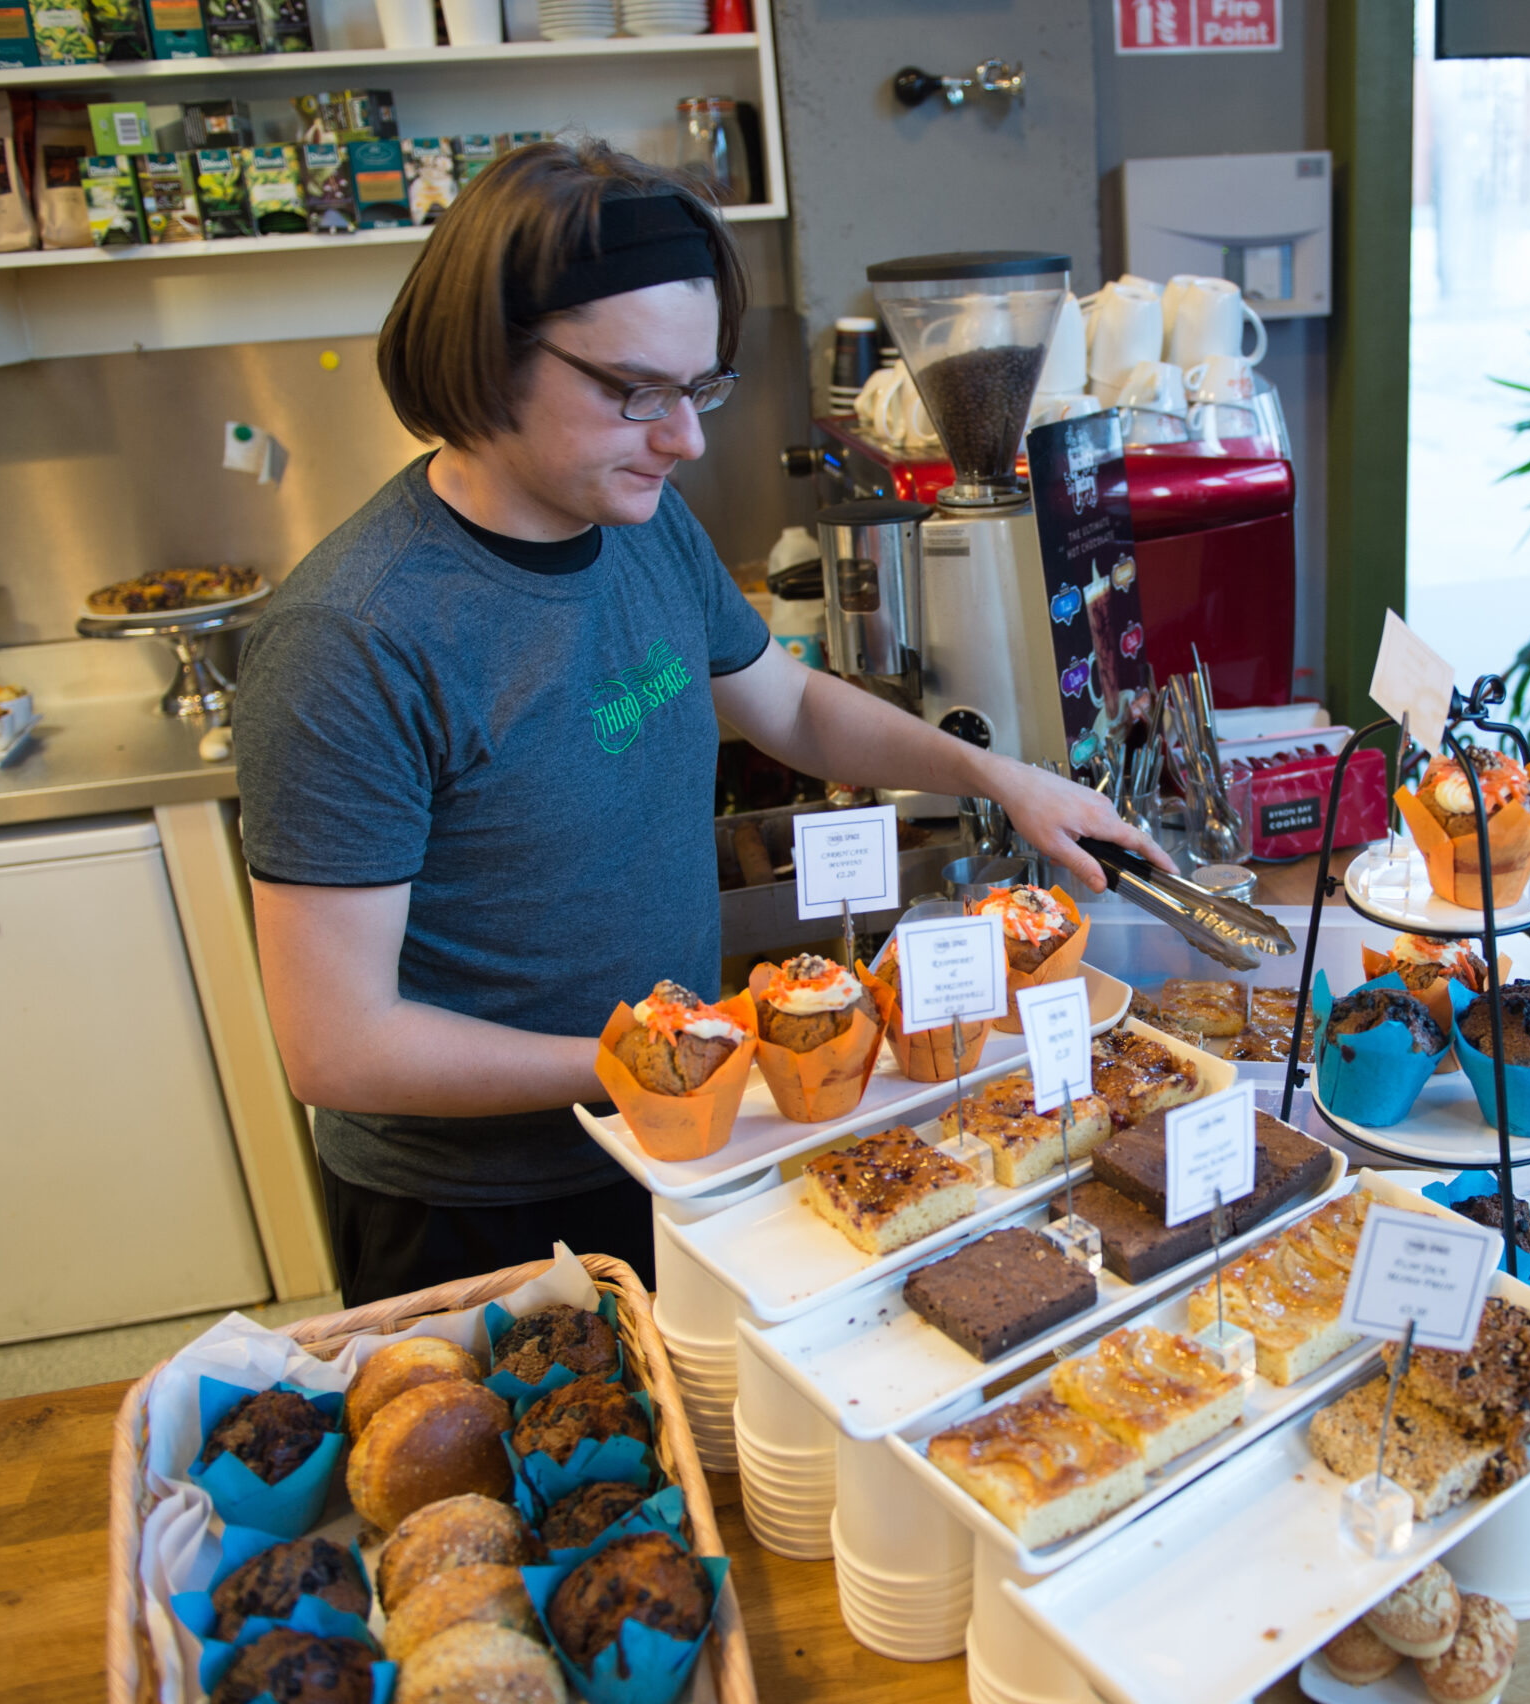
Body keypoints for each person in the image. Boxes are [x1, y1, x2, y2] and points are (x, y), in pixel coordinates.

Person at [234, 141, 1162, 1307]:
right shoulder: (354, 638)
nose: (688, 440)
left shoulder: (641, 520)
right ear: (486, 361)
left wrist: (999, 776)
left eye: (701, 389)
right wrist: (695, 1054)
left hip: (687, 1135)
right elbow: (338, 1045)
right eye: (635, 393)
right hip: (477, 1209)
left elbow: (790, 706)